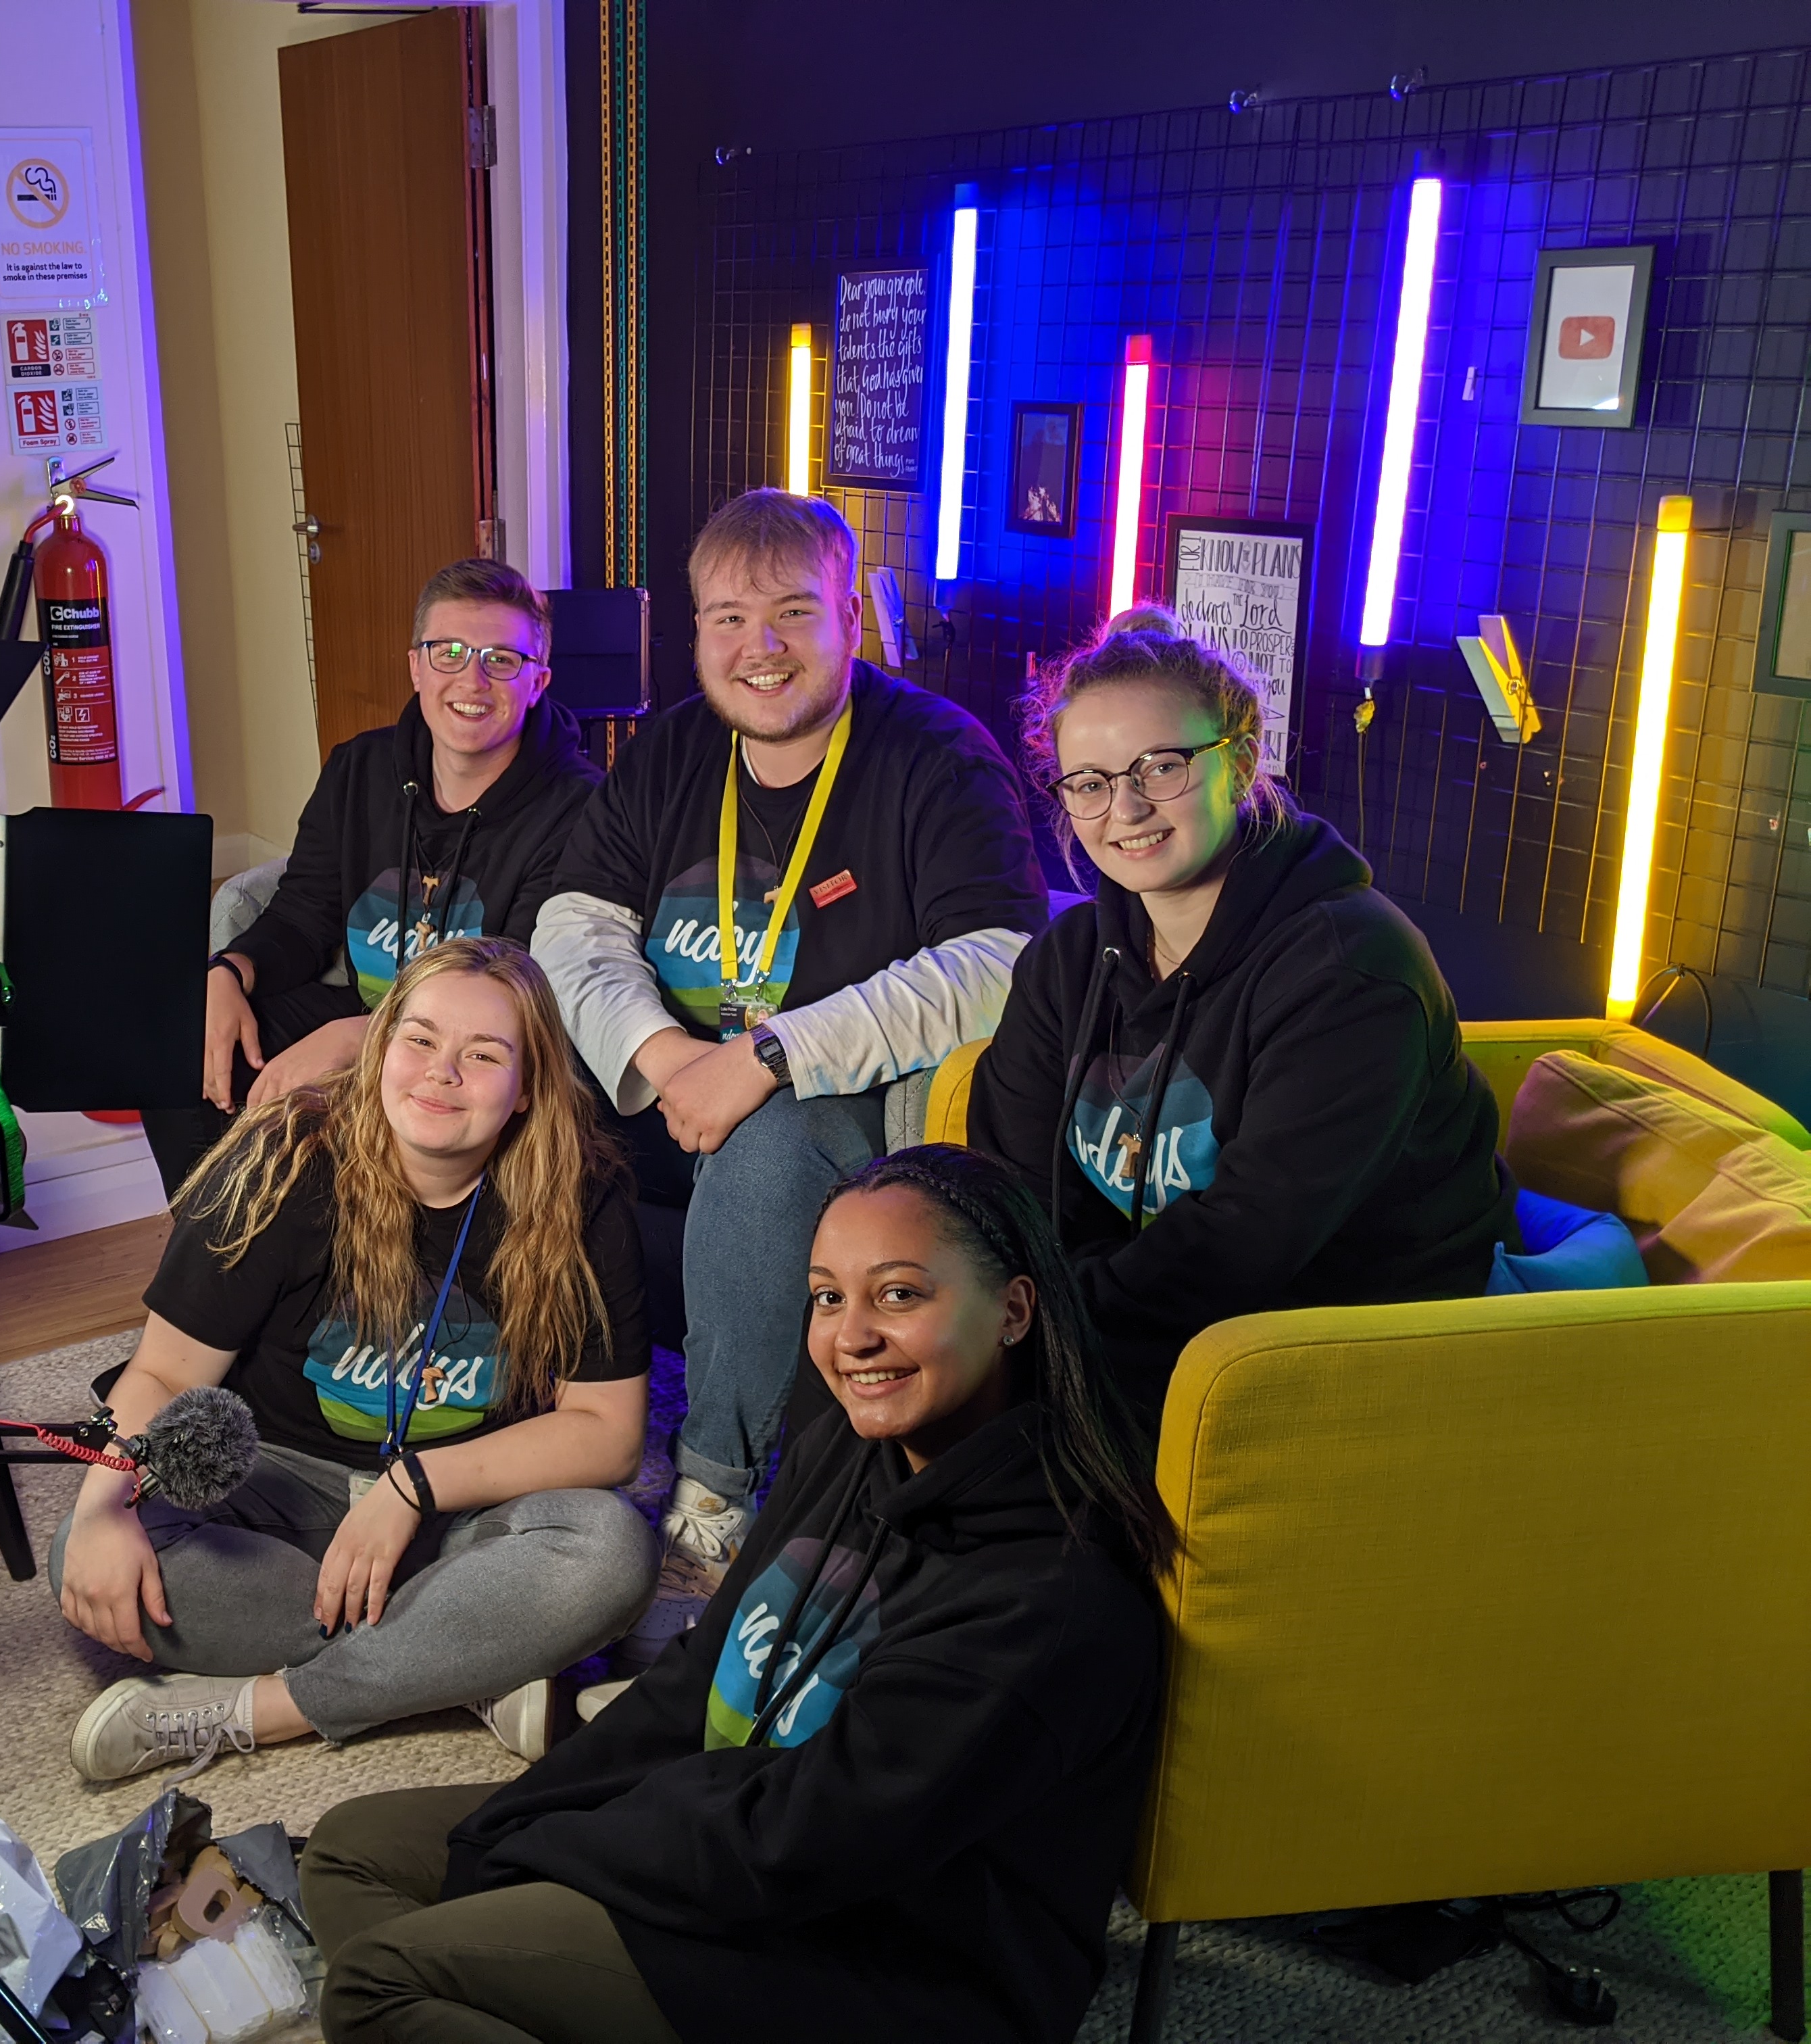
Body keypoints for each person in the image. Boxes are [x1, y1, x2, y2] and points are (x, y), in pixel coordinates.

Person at [297, 1144, 1172, 2044]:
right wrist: (525, 1819)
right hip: (731, 1848)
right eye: (828, 1297)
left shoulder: (1050, 1598)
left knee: (377, 1984)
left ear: (1014, 1310)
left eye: (899, 1295)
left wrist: (560, 1852)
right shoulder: (850, 1447)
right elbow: (697, 1676)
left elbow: (800, 1844)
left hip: (881, 1963)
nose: (852, 1337)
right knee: (353, 1851)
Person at [533, 487, 1046, 1595]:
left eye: (792, 613)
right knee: (489, 1084)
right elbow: (574, 924)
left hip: (840, 1115)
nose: (757, 647)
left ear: (850, 620)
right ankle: (490, 1414)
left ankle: (713, 1496)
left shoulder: (936, 755)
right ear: (696, 631)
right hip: (670, 1085)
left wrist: (767, 1058)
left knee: (766, 1142)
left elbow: (999, 960)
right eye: (728, 617)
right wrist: (666, 1057)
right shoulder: (673, 747)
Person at [54, 937, 656, 1780]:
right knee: (92, 1550)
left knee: (611, 1553)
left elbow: (609, 1434)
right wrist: (100, 1508)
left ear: (527, 1089)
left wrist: (413, 1487)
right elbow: (164, 1374)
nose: (442, 1073)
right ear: (380, 1049)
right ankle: (462, 1659)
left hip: (464, 1506)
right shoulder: (280, 1161)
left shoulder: (579, 1195)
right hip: (278, 1483)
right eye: (421, 1039)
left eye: (485, 1056)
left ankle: (265, 1710)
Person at [966, 621, 1513, 1413]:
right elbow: (1012, 1185)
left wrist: (1033, 1333)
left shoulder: (1351, 972)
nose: (1127, 808)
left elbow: (1241, 1249)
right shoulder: (1070, 958)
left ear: (1243, 764)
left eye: (1162, 767)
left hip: (1343, 1344)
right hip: (1133, 1328)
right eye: (1089, 782)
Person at [143, 559, 602, 1195]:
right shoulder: (358, 769)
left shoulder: (581, 807)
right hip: (365, 1004)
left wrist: (364, 1039)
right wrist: (228, 971)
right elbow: (304, 913)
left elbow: (519, 987)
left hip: (479, 1051)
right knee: (174, 1046)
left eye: (501, 659)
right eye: (449, 652)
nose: (472, 679)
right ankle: (224, 1248)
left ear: (537, 682)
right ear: (416, 666)